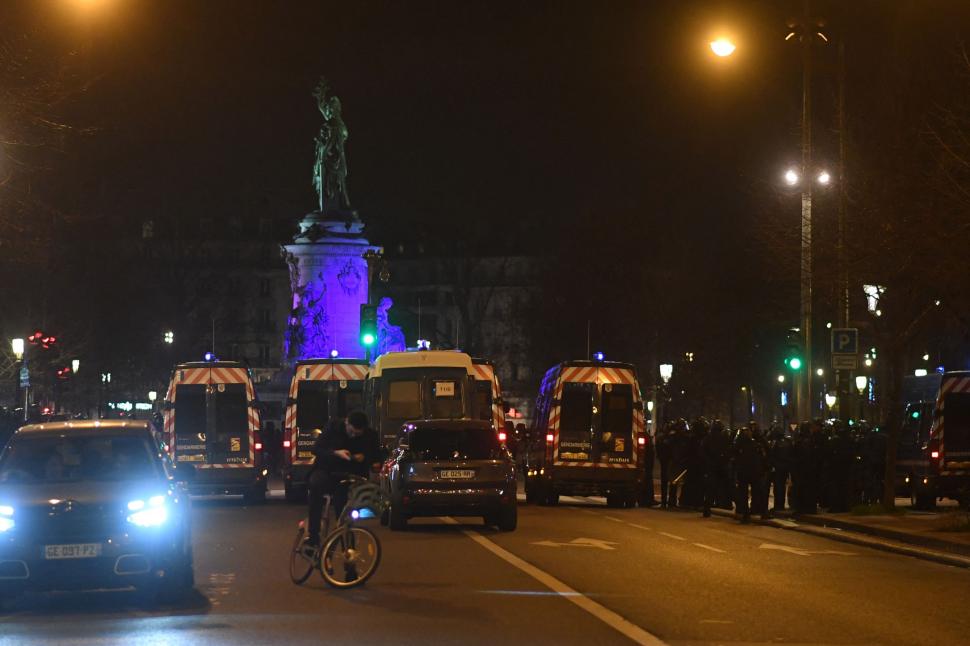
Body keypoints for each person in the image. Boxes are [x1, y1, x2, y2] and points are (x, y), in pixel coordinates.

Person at [306, 411, 381, 546]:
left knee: (345, 513)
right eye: (351, 432)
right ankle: (313, 536)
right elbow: (316, 449)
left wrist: (365, 457)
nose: (353, 436)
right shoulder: (333, 427)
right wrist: (335, 453)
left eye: (357, 434)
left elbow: (377, 456)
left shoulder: (370, 436)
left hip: (349, 475)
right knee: (315, 488)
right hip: (327, 470)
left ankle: (348, 550)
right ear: (346, 422)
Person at [733, 425, 767, 523]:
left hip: (743, 472)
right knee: (758, 492)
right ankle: (762, 512)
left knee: (743, 494)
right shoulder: (756, 444)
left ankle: (746, 514)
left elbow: (734, 457)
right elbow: (762, 457)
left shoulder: (738, 446)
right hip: (755, 472)